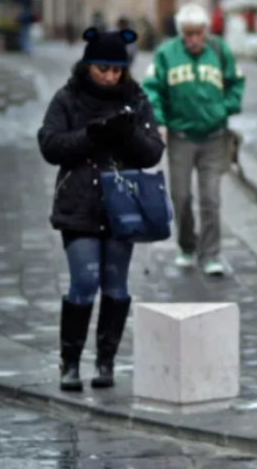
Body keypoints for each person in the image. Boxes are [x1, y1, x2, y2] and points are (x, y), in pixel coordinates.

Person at [37, 27, 166, 392]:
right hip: (79, 203)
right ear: (88, 65)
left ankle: (106, 362)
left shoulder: (136, 99)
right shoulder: (68, 98)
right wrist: (91, 135)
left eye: (116, 70)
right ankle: (71, 362)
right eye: (102, 69)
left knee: (116, 283)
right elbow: (49, 144)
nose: (110, 77)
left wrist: (127, 134)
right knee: (84, 280)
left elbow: (154, 150)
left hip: (122, 206)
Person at [143, 3, 245, 276]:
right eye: (188, 34)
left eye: (198, 33)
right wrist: (160, 121)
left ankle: (211, 254)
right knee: (181, 196)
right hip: (181, 137)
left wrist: (225, 108)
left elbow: (236, 82)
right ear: (180, 33)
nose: (194, 40)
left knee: (210, 198)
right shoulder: (166, 54)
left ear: (205, 31)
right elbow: (151, 89)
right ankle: (187, 245)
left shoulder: (219, 50)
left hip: (214, 137)